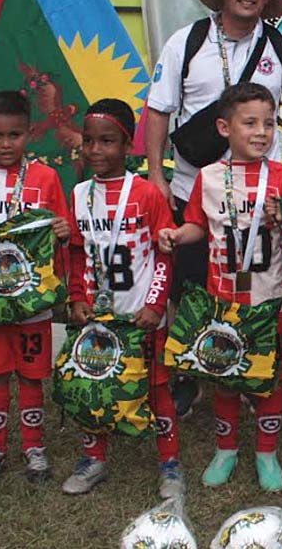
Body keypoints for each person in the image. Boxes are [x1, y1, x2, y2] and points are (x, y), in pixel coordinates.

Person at [144, 0, 282, 416]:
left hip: (261, 201)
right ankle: (191, 375)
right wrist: (154, 174)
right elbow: (157, 110)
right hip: (197, 190)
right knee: (191, 290)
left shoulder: (278, 45)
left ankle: (253, 373)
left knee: (259, 288)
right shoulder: (186, 41)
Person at [158, 83, 282, 492]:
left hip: (269, 298)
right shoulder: (207, 178)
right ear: (224, 128)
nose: (261, 132)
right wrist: (175, 235)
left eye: (270, 123)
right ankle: (226, 448)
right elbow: (197, 226)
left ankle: (266, 453)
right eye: (250, 123)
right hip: (222, 300)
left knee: (268, 378)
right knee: (224, 374)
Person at [64, 99, 183, 497]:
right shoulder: (79, 193)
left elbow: (166, 254)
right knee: (93, 383)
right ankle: (94, 458)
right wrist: (77, 297)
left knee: (158, 387)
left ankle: (169, 463)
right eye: (89, 141)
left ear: (128, 145)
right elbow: (78, 252)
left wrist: (155, 304)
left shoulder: (147, 194)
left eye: (108, 141)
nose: (96, 150)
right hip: (98, 317)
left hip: (141, 314)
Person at [0, 91, 71, 485]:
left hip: (33, 302)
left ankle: (34, 447)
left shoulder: (46, 177)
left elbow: (62, 228)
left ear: (30, 134)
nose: (6, 144)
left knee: (30, 374)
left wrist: (63, 232)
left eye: (15, 135)